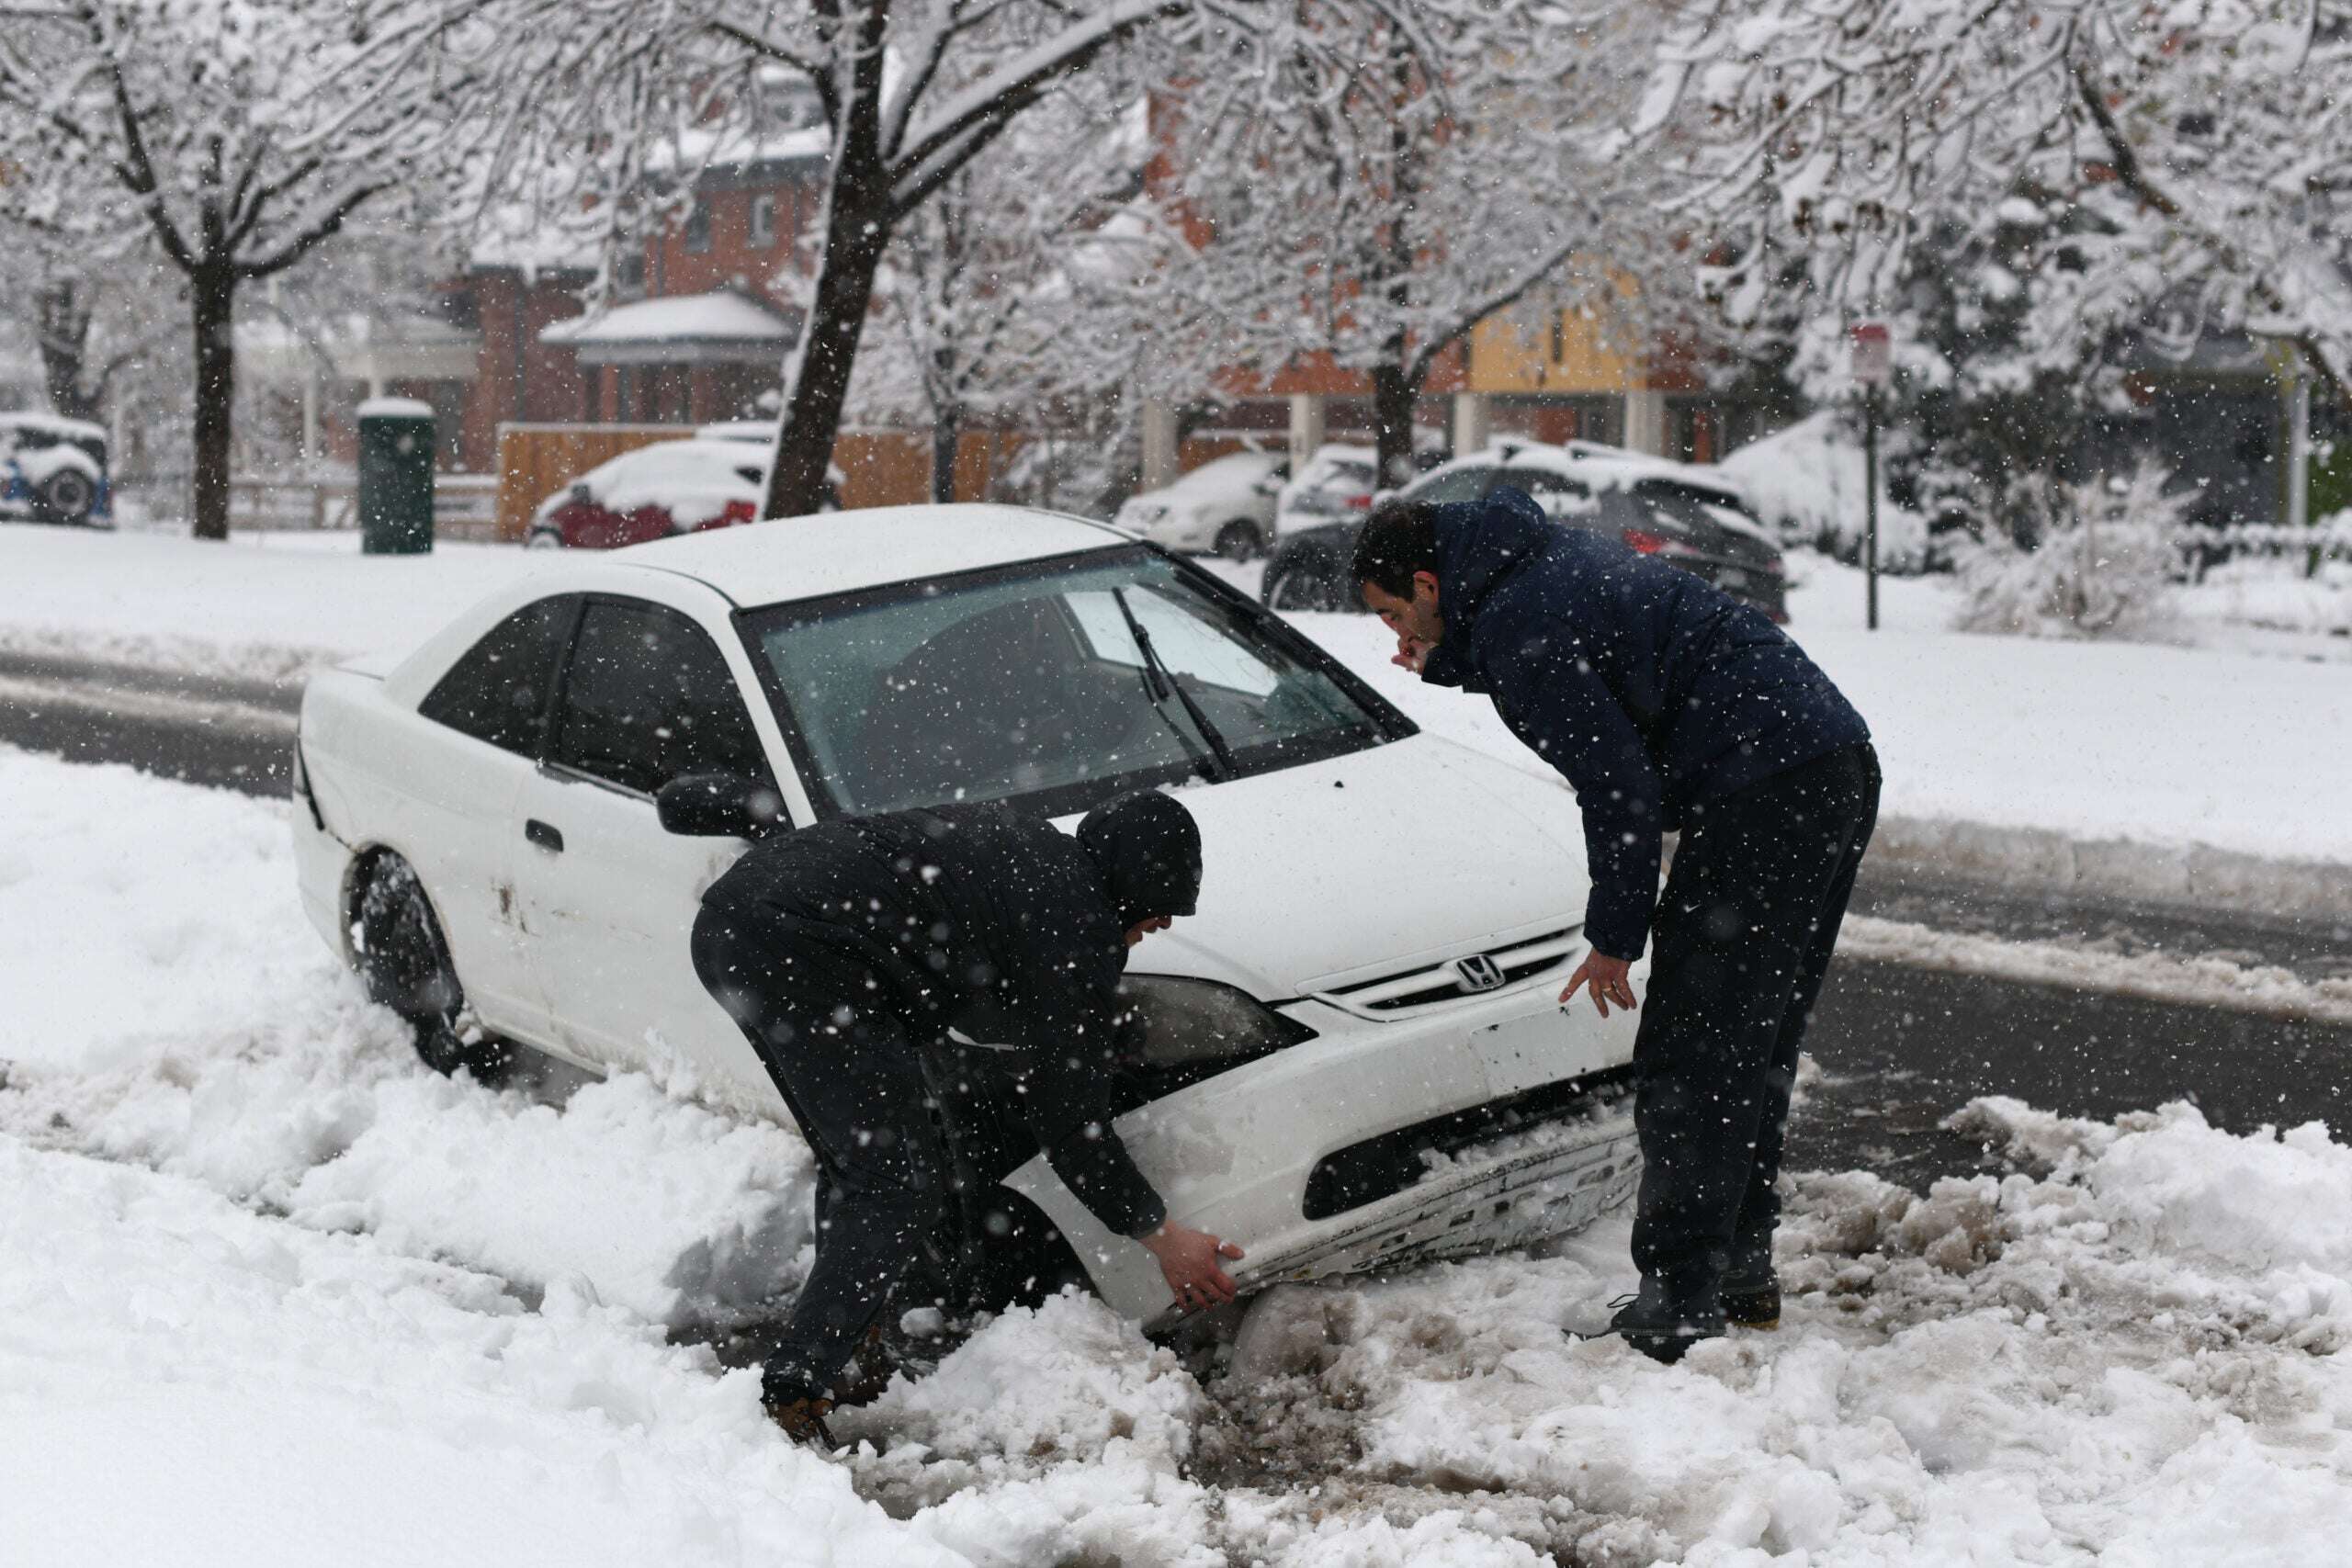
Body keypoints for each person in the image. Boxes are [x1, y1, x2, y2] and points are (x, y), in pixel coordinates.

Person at [1351, 488, 1878, 1363]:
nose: (1392, 629)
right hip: (1828, 760)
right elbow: (1576, 671)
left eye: (1395, 611)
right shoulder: (1532, 566)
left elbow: (1618, 786)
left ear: (1428, 580)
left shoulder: (1521, 616)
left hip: (1762, 787)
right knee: (1753, 1034)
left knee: (1693, 1048)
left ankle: (1677, 1297)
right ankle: (1736, 1270)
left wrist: (1614, 935)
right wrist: (1448, 661)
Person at [689, 790, 1244, 1442]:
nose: (1164, 924)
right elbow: (1072, 1126)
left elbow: (975, 986)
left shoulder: (1043, 860)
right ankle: (794, 1393)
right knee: (896, 1184)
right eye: (1161, 906)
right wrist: (1162, 1235)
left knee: (864, 1165)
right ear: (1132, 883)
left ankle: (842, 1346)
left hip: (744, 924)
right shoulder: (1074, 921)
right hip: (801, 945)